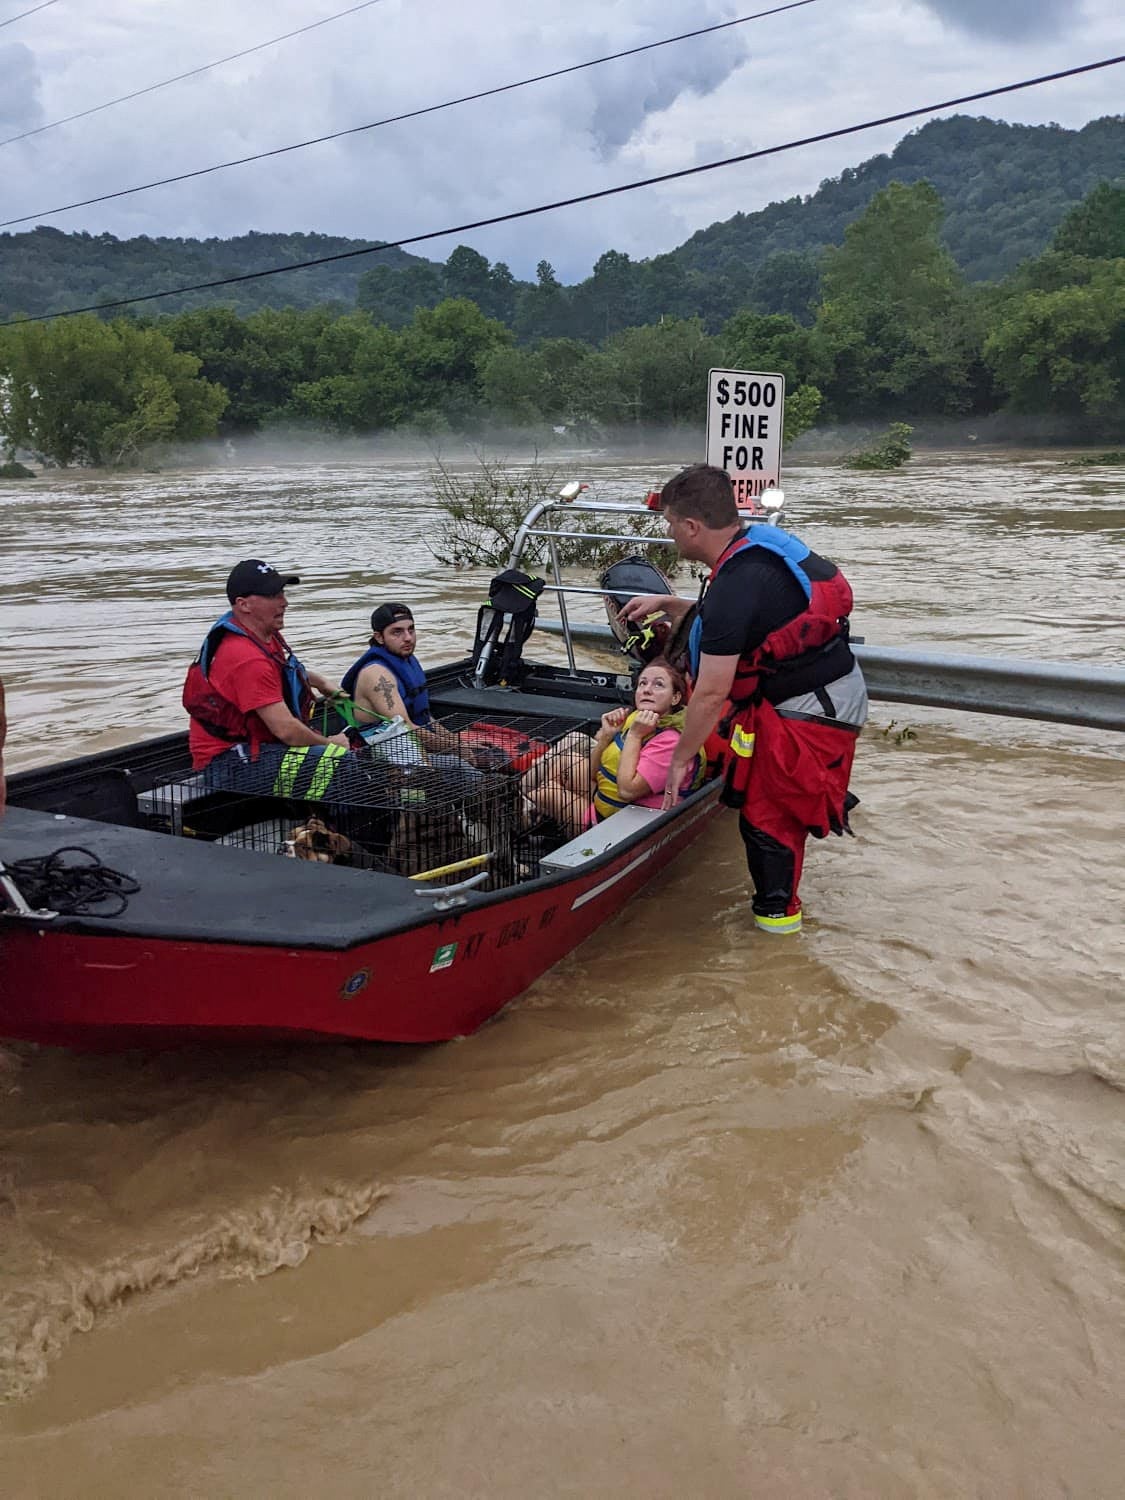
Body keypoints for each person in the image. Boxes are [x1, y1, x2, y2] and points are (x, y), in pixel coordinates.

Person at [622, 465, 867, 935]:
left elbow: (712, 693)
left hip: (814, 704)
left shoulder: (736, 583)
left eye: (671, 523)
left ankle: (777, 932)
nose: (669, 532)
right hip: (809, 690)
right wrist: (676, 607)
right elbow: (754, 615)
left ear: (692, 527)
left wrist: (680, 758)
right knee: (763, 798)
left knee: (769, 820)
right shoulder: (748, 552)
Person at [183, 559, 351, 785]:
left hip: (257, 747)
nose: (285, 603)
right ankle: (324, 820)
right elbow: (287, 731)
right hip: (228, 762)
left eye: (282, 593)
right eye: (273, 596)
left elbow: (279, 674)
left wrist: (319, 681)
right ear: (244, 605)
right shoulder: (245, 657)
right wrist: (331, 743)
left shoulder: (261, 635)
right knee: (342, 764)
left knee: (349, 752)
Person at [523, 658, 702, 837]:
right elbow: (594, 773)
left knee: (546, 793)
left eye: (658, 685)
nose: (647, 689)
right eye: (642, 683)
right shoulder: (638, 718)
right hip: (610, 800)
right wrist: (606, 737)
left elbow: (626, 791)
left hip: (623, 823)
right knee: (566, 763)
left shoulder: (670, 743)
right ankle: (546, 822)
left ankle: (529, 828)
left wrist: (635, 735)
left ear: (675, 697)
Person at [341, 602, 484, 772]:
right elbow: (404, 728)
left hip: (413, 744)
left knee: (490, 756)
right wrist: (456, 749)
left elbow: (423, 716)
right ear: (379, 637)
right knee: (465, 772)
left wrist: (458, 742)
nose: (408, 637)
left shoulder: (406, 660)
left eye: (411, 629)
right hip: (381, 757)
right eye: (397, 632)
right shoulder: (377, 675)